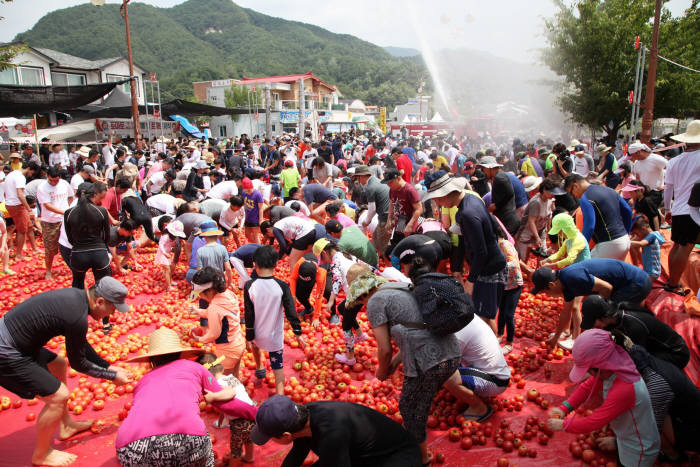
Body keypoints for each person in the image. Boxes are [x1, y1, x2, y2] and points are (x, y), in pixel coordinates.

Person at [0, 277, 134, 467]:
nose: (113, 314)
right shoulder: (76, 316)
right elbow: (79, 363)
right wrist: (112, 376)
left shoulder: (77, 298)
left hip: (18, 342)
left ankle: (65, 425)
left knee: (58, 364)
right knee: (58, 396)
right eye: (113, 308)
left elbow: (81, 345)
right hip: (7, 353)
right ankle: (42, 454)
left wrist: (107, 366)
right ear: (100, 301)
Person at [347, 269, 460, 465]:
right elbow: (415, 328)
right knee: (420, 400)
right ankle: (420, 450)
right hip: (452, 352)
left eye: (360, 301)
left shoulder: (375, 301)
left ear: (364, 294)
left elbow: (384, 349)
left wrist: (382, 371)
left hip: (428, 362)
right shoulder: (402, 286)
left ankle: (422, 459)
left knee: (409, 407)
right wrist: (396, 362)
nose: (362, 305)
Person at [117, 327, 256, 467]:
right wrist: (257, 413)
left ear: (151, 360)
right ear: (179, 354)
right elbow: (227, 404)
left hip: (131, 449)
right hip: (187, 442)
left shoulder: (142, 381)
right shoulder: (195, 367)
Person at [547, 329, 659, 467]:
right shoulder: (612, 370)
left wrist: (563, 425)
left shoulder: (625, 388)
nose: (589, 374)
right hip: (626, 438)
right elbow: (586, 388)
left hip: (639, 449)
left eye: (589, 370)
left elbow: (594, 422)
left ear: (601, 366)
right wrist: (564, 408)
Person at [423, 171, 507, 334]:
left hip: (489, 268)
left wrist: (471, 280)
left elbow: (481, 251)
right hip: (489, 263)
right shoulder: (472, 198)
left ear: (446, 194)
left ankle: (492, 345)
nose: (436, 203)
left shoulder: (468, 213)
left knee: (482, 315)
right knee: (482, 310)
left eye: (437, 198)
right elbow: (488, 227)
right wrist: (459, 268)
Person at [251, 395, 421, 467]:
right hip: (361, 453)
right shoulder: (305, 414)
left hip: (399, 457)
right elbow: (299, 451)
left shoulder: (331, 436)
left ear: (286, 436)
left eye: (270, 437)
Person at [532, 258, 653, 350]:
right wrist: (556, 337)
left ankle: (633, 350)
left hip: (636, 283)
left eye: (545, 292)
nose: (547, 296)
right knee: (614, 320)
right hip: (631, 283)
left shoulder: (572, 277)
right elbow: (566, 312)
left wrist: (605, 311)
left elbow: (606, 288)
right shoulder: (565, 282)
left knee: (615, 321)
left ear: (552, 285)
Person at [244, 245, 305, 395]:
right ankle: (280, 396)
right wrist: (298, 332)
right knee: (278, 368)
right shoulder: (282, 286)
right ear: (276, 264)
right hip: (274, 338)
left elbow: (249, 313)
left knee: (255, 347)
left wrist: (249, 335)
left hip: (257, 334)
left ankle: (259, 368)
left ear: (255, 264)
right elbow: (291, 311)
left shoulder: (250, 286)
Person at [624, 344, 700, 462]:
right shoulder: (651, 362)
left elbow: (651, 430)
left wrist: (617, 442)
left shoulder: (656, 385)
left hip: (693, 429)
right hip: (685, 414)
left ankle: (674, 456)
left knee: (651, 423)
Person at [579, 295, 690, 369]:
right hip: (653, 348)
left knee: (640, 364)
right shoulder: (612, 321)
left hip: (676, 353)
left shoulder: (633, 325)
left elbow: (639, 359)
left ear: (602, 318)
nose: (593, 327)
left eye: (593, 323)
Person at [443, 311, 511, 422]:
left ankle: (479, 408)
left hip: (495, 381)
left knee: (443, 373)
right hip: (489, 372)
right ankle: (470, 393)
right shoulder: (463, 316)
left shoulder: (456, 332)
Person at [313, 239, 368, 363]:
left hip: (357, 293)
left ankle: (350, 357)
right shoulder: (347, 254)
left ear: (325, 253)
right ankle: (360, 334)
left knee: (346, 325)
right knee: (342, 309)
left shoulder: (335, 261)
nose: (324, 262)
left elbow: (337, 281)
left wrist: (331, 300)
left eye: (322, 258)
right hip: (365, 288)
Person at [197, 353, 257, 463]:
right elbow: (228, 403)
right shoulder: (231, 378)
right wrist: (222, 417)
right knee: (248, 439)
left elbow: (231, 393)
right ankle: (249, 457)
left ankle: (234, 463)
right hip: (251, 415)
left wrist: (213, 396)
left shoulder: (218, 385)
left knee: (236, 448)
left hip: (240, 421)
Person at [664, 121, 700, 296]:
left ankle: (672, 281)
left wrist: (666, 208)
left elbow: (668, 188)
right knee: (685, 247)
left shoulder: (674, 161)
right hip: (693, 210)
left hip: (678, 208)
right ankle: (674, 283)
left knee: (677, 245)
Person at [191, 267, 245, 378]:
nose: (200, 296)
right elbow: (222, 315)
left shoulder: (214, 308)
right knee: (235, 376)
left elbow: (214, 334)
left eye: (200, 293)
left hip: (227, 351)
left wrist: (200, 339)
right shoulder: (229, 295)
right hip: (239, 342)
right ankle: (239, 390)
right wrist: (199, 312)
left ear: (209, 291)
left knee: (225, 380)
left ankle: (235, 394)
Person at [565, 173, 633, 260]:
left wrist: (580, 247)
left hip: (609, 244)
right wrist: (627, 232)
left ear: (575, 186)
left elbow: (589, 226)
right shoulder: (610, 190)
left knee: (584, 268)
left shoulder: (586, 198)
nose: (573, 196)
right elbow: (628, 211)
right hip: (625, 240)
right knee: (611, 273)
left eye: (571, 192)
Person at [64, 181, 112, 289]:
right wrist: (101, 246)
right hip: (99, 253)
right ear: (94, 194)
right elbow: (106, 236)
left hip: (78, 254)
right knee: (103, 286)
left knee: (78, 284)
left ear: (77, 195)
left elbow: (70, 238)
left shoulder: (69, 213)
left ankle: (79, 304)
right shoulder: (101, 211)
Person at [36, 166, 74, 279]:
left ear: (60, 177)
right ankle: (48, 271)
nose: (53, 182)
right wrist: (65, 212)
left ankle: (74, 268)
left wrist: (68, 210)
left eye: (56, 180)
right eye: (51, 180)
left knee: (71, 245)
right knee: (50, 248)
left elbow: (71, 196)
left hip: (64, 220)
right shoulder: (42, 187)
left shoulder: (64, 184)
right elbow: (47, 205)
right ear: (47, 177)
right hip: (50, 221)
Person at [494, 219, 523, 355]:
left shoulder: (505, 245)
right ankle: (500, 334)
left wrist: (497, 266)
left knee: (508, 314)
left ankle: (510, 342)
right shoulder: (496, 247)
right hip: (504, 284)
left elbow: (514, 263)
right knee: (501, 311)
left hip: (515, 284)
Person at [3, 160, 39, 261]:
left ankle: (35, 248)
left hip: (11, 204)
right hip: (16, 205)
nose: (30, 175)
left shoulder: (12, 174)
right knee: (22, 230)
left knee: (29, 226)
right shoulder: (20, 177)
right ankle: (18, 255)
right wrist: (29, 209)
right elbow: (20, 194)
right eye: (31, 173)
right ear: (29, 169)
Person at [352, 165, 391, 256]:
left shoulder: (370, 187)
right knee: (375, 239)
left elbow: (372, 208)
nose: (358, 181)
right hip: (386, 215)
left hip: (385, 218)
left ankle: (387, 263)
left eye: (357, 178)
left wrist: (366, 221)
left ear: (362, 176)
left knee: (382, 246)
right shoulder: (378, 181)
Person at [514, 177, 555, 260]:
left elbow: (549, 216)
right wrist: (537, 238)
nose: (553, 194)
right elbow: (531, 221)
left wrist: (548, 230)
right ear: (544, 190)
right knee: (523, 259)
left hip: (540, 231)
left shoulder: (550, 200)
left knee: (543, 256)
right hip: (527, 234)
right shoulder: (536, 202)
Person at [289, 253, 331, 328]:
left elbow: (319, 296)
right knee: (299, 293)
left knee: (328, 291)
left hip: (323, 269)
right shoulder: (299, 264)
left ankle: (334, 313)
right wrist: (293, 296)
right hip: (310, 268)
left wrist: (316, 317)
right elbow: (293, 278)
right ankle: (309, 309)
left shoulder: (321, 274)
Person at [384, 168, 423, 243]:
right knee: (392, 250)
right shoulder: (392, 190)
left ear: (398, 178)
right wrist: (389, 220)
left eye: (390, 182)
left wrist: (410, 225)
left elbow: (419, 209)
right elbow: (392, 204)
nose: (388, 185)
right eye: (387, 183)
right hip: (399, 225)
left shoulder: (410, 190)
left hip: (411, 226)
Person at [194, 220, 232, 288]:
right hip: (220, 282)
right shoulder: (222, 248)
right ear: (217, 236)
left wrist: (199, 286)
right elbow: (228, 268)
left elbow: (199, 270)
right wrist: (230, 282)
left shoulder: (200, 251)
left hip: (207, 284)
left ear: (204, 237)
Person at [154, 219, 185, 290]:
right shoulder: (166, 236)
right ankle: (168, 287)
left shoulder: (171, 236)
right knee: (167, 269)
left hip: (166, 254)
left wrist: (175, 243)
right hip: (162, 254)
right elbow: (161, 244)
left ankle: (170, 281)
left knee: (169, 269)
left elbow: (168, 245)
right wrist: (164, 253)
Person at [241, 176, 264, 244]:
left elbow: (261, 208)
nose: (248, 192)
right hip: (248, 217)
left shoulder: (257, 194)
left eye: (249, 190)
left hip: (255, 218)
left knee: (255, 235)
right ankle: (256, 246)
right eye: (246, 190)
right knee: (247, 234)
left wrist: (261, 220)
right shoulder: (244, 192)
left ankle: (259, 248)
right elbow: (244, 205)